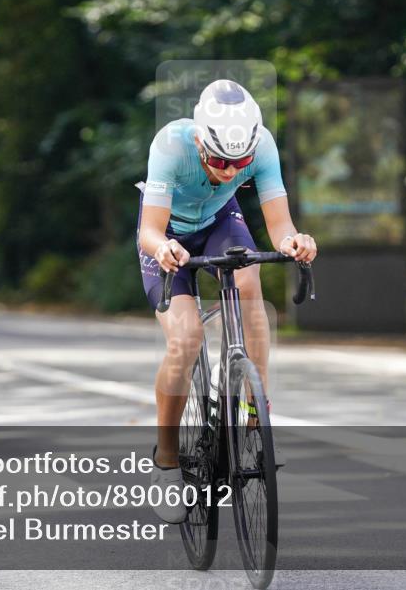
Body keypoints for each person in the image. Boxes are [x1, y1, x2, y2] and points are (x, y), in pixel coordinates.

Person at [136, 79, 318, 523]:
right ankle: (166, 458)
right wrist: (163, 250)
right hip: (169, 234)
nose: (229, 171)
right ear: (200, 141)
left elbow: (280, 225)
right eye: (218, 160)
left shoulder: (262, 147)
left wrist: (295, 242)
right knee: (187, 338)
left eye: (240, 162)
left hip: (220, 220)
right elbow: (149, 231)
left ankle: (256, 402)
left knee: (250, 281)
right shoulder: (171, 146)